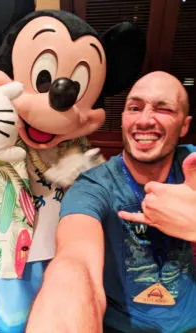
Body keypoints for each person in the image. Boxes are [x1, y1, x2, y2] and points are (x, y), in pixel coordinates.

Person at [26, 71, 196, 333]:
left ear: (184, 125)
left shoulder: (191, 166)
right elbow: (74, 261)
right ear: (123, 118)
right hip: (120, 325)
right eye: (135, 108)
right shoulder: (93, 186)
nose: (145, 120)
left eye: (164, 110)